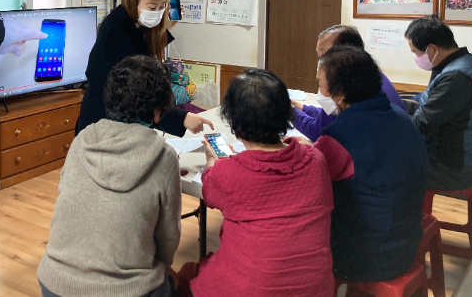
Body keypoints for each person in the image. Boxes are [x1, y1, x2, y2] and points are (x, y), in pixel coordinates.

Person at [175, 69, 334, 297]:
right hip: (316, 288)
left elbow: (209, 191)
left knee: (189, 272)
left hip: (251, 289)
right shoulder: (316, 160)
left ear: (233, 121)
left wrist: (212, 160)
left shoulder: (228, 172)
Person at [37, 55, 181, 297]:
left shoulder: (82, 140)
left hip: (54, 283)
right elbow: (169, 239)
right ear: (157, 111)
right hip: (126, 290)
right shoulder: (164, 156)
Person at [312, 46, 427, 282]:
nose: (320, 91)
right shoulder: (398, 115)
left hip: (367, 257)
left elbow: (305, 189)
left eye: (322, 84)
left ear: (340, 91)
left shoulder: (338, 137)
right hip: (406, 244)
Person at [76, 0, 213, 137]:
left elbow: (141, 46)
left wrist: (167, 27)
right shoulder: (116, 33)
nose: (157, 12)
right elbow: (137, 92)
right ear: (134, 1)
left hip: (121, 117)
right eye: (152, 7)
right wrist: (182, 118)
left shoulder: (132, 23)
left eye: (162, 7)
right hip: (103, 120)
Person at [405, 15, 472, 190]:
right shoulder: (461, 63)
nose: (416, 56)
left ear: (432, 49)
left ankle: (406, 217)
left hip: (454, 168)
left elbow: (422, 124)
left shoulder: (456, 78)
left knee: (384, 166)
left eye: (415, 52)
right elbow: (430, 104)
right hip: (458, 157)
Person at [293, 25, 406, 141]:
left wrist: (287, 112)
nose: (320, 64)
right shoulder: (372, 78)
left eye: (324, 57)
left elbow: (319, 132)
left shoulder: (349, 91)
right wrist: (302, 108)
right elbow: (332, 116)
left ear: (345, 55)